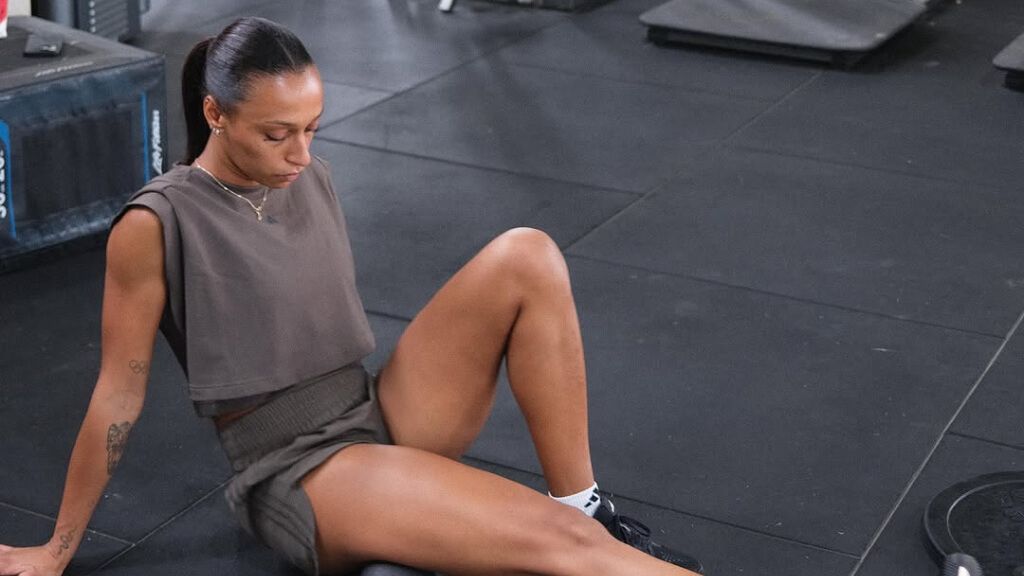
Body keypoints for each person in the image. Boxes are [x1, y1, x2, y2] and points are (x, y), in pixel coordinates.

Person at [0, 17, 704, 576]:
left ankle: (583, 503)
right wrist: (56, 550)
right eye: (277, 134)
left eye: (311, 128)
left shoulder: (305, 175)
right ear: (215, 113)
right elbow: (117, 396)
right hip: (296, 470)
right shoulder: (156, 223)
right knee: (556, 546)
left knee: (528, 253)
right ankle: (563, 530)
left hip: (372, 408)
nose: (301, 155)